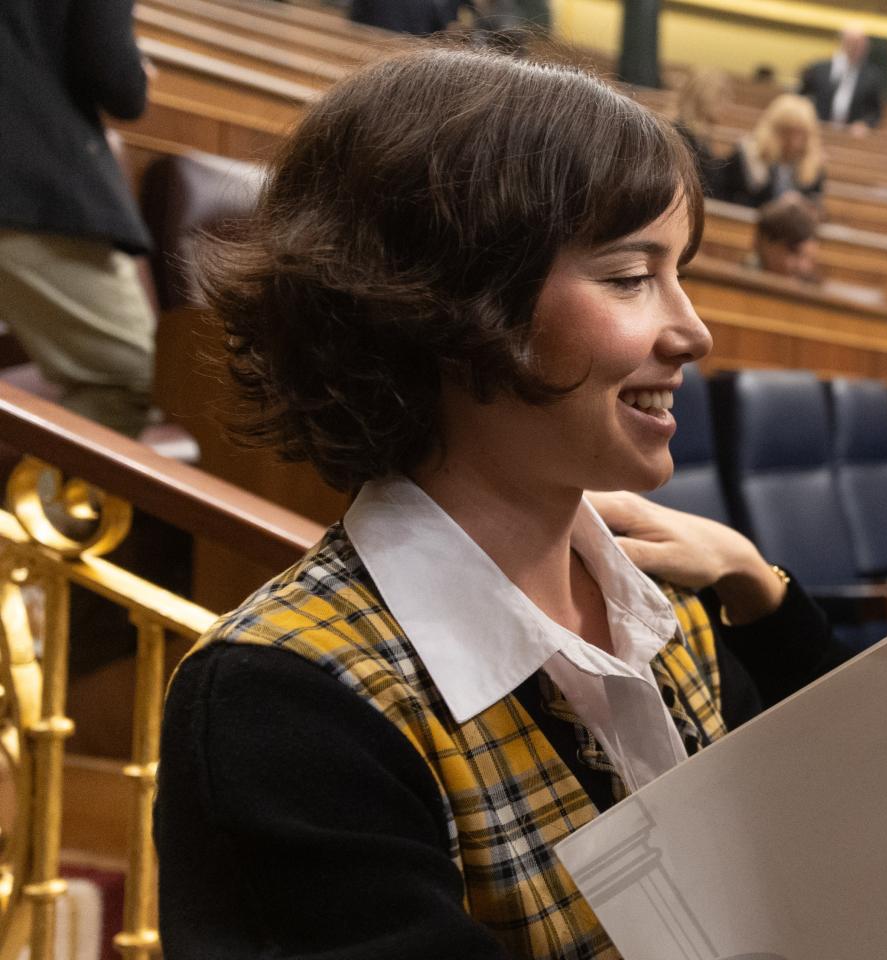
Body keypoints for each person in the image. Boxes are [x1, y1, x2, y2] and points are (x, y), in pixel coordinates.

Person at [153, 48, 842, 959]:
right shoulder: (280, 701)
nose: (694, 332)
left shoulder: (675, 610)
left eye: (679, 273)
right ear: (449, 307)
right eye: (631, 277)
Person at [0, 0, 156, 437]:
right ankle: (42, 487)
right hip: (22, 177)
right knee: (127, 375)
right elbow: (116, 80)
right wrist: (138, 74)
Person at [720, 93, 825, 208]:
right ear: (774, 130)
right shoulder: (747, 156)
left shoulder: (814, 167)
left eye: (801, 134)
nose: (794, 141)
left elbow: (814, 206)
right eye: (787, 132)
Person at [797, 26, 884, 134]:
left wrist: (865, 124)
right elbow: (800, 97)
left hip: (851, 135)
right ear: (843, 42)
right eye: (854, 43)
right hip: (817, 130)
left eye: (862, 44)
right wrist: (806, 117)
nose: (858, 47)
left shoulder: (872, 76)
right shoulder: (819, 68)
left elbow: (874, 112)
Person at [673, 67, 733, 196]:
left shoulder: (699, 135)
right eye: (721, 97)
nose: (727, 105)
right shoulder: (682, 136)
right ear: (705, 98)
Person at [749, 193, 820, 282]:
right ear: (765, 244)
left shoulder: (810, 283)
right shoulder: (746, 278)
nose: (803, 266)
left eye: (809, 258)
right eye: (795, 253)